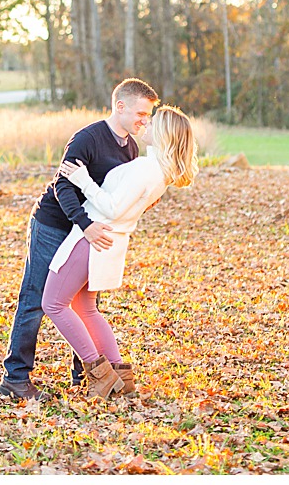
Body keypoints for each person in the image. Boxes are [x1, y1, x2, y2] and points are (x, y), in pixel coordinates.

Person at [0, 78, 158, 400]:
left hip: (86, 233)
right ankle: (15, 378)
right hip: (54, 225)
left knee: (83, 304)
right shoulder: (88, 138)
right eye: (141, 113)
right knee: (36, 300)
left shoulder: (131, 148)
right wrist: (84, 224)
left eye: (148, 115)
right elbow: (63, 184)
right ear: (121, 106)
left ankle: (86, 376)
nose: (145, 120)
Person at [43, 104, 200, 398]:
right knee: (86, 308)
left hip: (93, 236)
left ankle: (99, 375)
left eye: (155, 123)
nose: (148, 125)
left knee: (53, 304)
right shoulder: (157, 170)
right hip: (108, 241)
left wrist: (83, 181)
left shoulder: (147, 169)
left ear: (165, 134)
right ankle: (120, 377)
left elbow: (113, 208)